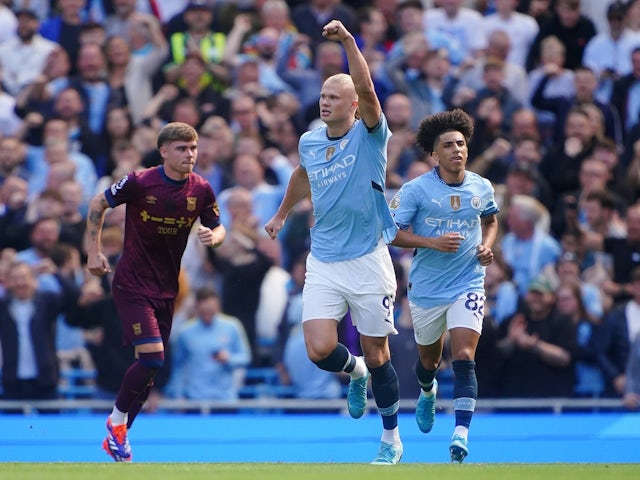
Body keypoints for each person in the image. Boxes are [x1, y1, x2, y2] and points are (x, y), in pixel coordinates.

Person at [264, 20, 402, 465]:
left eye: (334, 97)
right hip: (323, 258)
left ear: (354, 104)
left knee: (379, 352)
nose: (325, 102)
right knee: (319, 349)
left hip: (367, 258)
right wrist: (282, 212)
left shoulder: (370, 135)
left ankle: (390, 440)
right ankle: (353, 371)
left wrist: (347, 42)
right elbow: (303, 175)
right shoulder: (309, 141)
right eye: (322, 96)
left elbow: (367, 86)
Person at [85, 122, 226, 462]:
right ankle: (116, 421)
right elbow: (97, 204)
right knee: (152, 357)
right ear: (164, 151)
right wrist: (93, 250)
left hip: (168, 288)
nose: (189, 154)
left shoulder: (202, 189)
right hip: (132, 283)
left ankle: (119, 436)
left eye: (193, 148)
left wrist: (214, 237)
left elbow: (218, 226)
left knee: (151, 368)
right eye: (181, 148)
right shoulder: (139, 182)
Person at [387, 108, 499, 463]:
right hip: (427, 288)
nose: (457, 150)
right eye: (448, 145)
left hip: (468, 280)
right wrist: (432, 242)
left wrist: (487, 245)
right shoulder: (416, 190)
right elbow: (391, 233)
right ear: (434, 154)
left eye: (461, 144)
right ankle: (427, 389)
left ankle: (461, 433)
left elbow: (490, 220)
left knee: (464, 356)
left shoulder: (481, 186)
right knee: (429, 362)